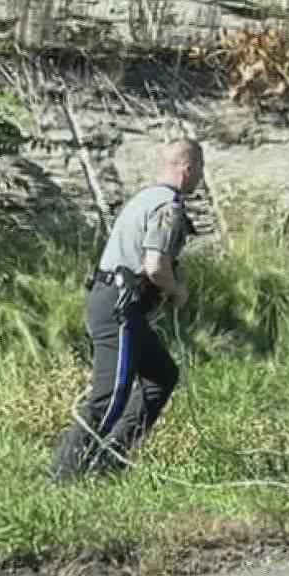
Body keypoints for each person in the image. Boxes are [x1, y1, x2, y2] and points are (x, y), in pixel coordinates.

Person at [48, 138, 203, 482]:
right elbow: (154, 265)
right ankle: (64, 476)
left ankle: (109, 461)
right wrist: (176, 291)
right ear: (187, 168)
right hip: (119, 309)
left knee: (162, 375)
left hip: (115, 302)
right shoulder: (168, 207)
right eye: (200, 171)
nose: (200, 179)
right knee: (111, 395)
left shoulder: (145, 198)